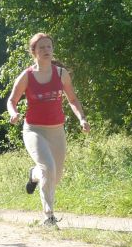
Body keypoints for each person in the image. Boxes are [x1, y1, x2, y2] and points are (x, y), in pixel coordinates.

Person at [7, 33, 90, 227]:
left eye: (49, 47)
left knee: (55, 177)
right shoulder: (27, 76)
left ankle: (34, 174)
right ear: (34, 52)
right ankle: (49, 216)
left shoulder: (61, 74)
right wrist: (14, 113)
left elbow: (72, 99)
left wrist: (82, 118)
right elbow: (12, 100)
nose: (46, 50)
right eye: (41, 47)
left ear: (53, 50)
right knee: (48, 169)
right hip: (34, 130)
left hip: (57, 130)